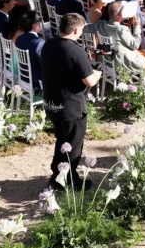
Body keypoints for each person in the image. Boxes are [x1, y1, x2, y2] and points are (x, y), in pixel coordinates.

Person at [41, 13, 102, 189]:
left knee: (62, 140)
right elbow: (90, 81)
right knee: (73, 145)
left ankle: (57, 175)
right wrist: (97, 72)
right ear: (76, 30)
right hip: (71, 107)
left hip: (53, 103)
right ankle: (69, 179)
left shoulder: (48, 44)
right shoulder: (75, 50)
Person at [86, 2, 145, 82]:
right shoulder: (121, 29)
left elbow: (85, 28)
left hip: (108, 61)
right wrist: (137, 27)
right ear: (120, 15)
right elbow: (135, 45)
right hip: (123, 63)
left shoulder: (101, 24)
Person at [12, 7, 46, 89]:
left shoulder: (19, 39)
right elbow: (46, 64)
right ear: (34, 26)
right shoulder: (39, 43)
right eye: (40, 22)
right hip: (38, 81)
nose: (41, 23)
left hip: (24, 77)